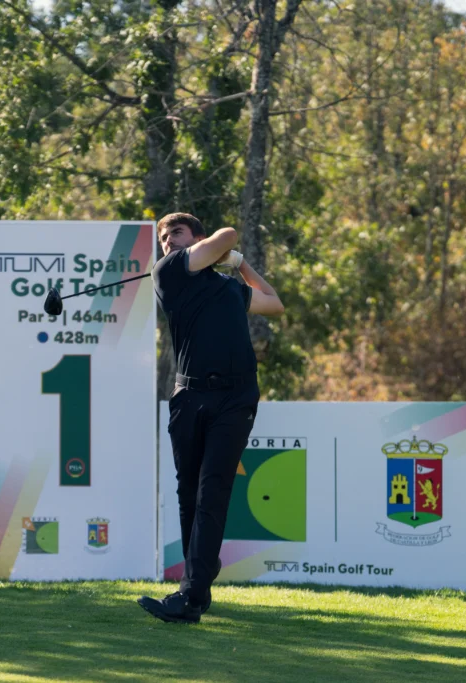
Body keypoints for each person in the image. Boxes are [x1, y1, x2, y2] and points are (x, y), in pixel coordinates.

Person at [137, 212, 284, 624]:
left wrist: (240, 265)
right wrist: (226, 252)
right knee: (190, 495)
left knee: (212, 489)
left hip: (236, 398)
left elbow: (274, 303)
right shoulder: (168, 271)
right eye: (164, 237)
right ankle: (198, 589)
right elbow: (228, 235)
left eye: (176, 233)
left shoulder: (228, 288)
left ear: (196, 237)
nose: (168, 241)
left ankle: (191, 593)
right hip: (189, 396)